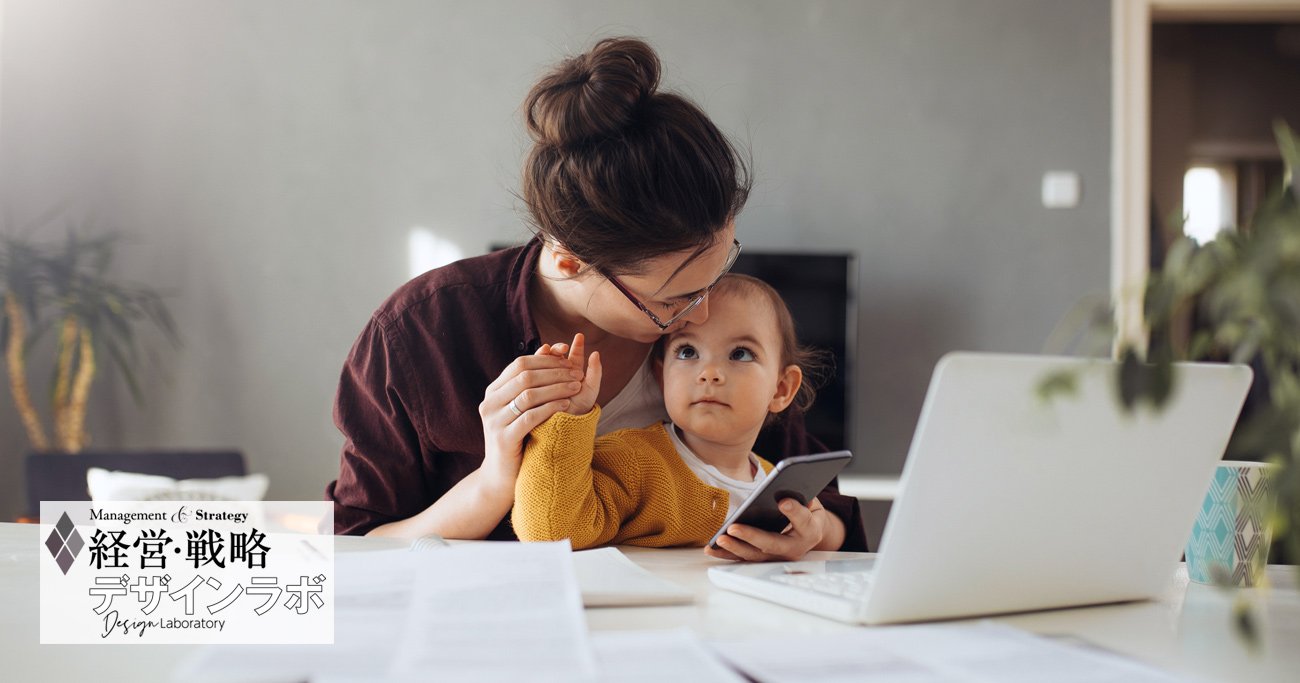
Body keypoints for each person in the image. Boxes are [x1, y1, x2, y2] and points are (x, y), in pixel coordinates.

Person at [326, 36, 867, 553]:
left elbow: (821, 500)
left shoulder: (719, 333)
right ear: (568, 260)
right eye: (673, 299)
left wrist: (812, 533)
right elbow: (352, 546)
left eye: (718, 271)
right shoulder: (422, 332)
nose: (699, 315)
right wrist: (494, 481)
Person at [513, 274, 857, 560]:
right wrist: (568, 420)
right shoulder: (633, 459)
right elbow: (549, 532)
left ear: (782, 389)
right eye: (688, 351)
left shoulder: (777, 487)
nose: (709, 373)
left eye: (740, 354)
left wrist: (811, 534)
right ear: (662, 375)